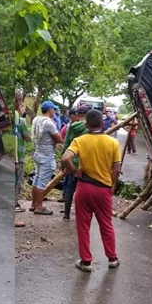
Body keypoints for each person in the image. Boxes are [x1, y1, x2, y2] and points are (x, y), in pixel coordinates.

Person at [61, 109, 122, 272]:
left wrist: (74, 171)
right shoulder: (113, 143)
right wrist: (111, 184)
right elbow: (116, 169)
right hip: (103, 189)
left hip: (84, 187)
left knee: (83, 225)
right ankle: (112, 258)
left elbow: (65, 158)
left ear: (86, 124)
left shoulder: (79, 140)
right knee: (106, 223)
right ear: (102, 124)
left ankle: (86, 262)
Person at [30, 100, 62, 215]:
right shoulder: (49, 123)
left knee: (37, 179)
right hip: (47, 156)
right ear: (50, 110)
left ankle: (33, 204)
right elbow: (59, 139)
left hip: (38, 153)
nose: (55, 111)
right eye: (54, 109)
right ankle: (39, 207)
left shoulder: (36, 119)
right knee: (42, 182)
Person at [60, 107, 89, 221]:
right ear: (87, 114)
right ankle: (81, 215)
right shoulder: (89, 127)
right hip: (85, 163)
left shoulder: (71, 127)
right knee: (83, 190)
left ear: (77, 114)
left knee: (69, 188)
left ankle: (66, 214)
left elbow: (66, 144)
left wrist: (63, 163)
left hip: (71, 162)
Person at [13, 90, 31, 226]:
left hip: (15, 156)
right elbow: (27, 138)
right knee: (16, 184)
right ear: (18, 102)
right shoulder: (20, 119)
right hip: (18, 156)